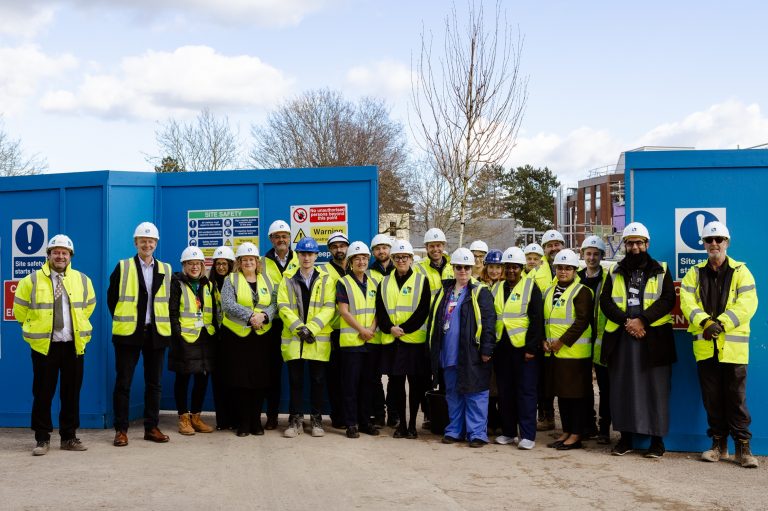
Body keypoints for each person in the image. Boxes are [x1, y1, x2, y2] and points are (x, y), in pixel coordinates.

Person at [679, 221, 759, 468]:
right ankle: (718, 447)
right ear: (703, 244)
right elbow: (686, 301)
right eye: (709, 240)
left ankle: (743, 449)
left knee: (736, 399)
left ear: (727, 242)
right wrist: (704, 322)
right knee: (712, 399)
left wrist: (721, 324)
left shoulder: (741, 271)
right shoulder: (694, 273)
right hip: (706, 348)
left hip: (733, 350)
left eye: (719, 239)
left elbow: (748, 304)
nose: (714, 244)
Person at [13, 235, 96, 456]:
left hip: (73, 345)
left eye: (64, 252)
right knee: (43, 393)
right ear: (48, 255)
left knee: (71, 393)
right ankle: (42, 439)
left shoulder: (83, 280)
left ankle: (69, 437)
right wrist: (36, 329)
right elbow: (20, 312)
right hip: (44, 346)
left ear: (70, 256)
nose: (60, 256)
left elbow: (88, 308)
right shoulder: (30, 281)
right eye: (56, 252)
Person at [600, 222, 676, 459]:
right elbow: (606, 302)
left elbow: (667, 300)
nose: (634, 247)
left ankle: (657, 441)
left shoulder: (661, 269)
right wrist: (628, 322)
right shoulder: (613, 271)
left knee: (656, 389)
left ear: (647, 244)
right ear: (624, 245)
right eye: (630, 243)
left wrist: (642, 321)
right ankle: (625, 439)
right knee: (622, 388)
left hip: (654, 338)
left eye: (639, 243)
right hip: (622, 337)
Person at [108, 221, 172, 447]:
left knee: (154, 384)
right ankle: (121, 430)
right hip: (129, 334)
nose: (147, 244)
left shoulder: (166, 269)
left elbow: (170, 302)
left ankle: (151, 427)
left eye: (151, 240)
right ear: (136, 243)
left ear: (156, 243)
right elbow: (112, 299)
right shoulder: (123, 266)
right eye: (143, 240)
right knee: (123, 383)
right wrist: (126, 320)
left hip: (156, 333)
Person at [429, 248, 496, 447]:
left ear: (472, 268)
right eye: (459, 267)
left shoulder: (480, 292)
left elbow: (489, 322)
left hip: (472, 353)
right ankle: (455, 429)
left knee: (475, 393)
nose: (463, 271)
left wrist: (487, 349)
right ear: (453, 268)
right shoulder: (445, 291)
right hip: (448, 353)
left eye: (467, 267)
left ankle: (476, 433)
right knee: (453, 392)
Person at [277, 237, 337, 438]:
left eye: (310, 254)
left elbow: (330, 307)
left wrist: (311, 328)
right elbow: (283, 306)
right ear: (298, 255)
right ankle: (295, 421)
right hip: (295, 340)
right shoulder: (287, 279)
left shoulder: (326, 279)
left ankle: (316, 420)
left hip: (317, 340)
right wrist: (299, 328)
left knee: (318, 381)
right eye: (303, 253)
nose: (306, 257)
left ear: (316, 256)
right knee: (295, 381)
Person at [376, 239, 431, 439]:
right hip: (392, 341)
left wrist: (404, 329)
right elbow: (380, 310)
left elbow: (423, 310)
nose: (401, 260)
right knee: (397, 385)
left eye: (405, 257)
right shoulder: (384, 282)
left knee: (415, 385)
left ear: (411, 259)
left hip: (413, 341)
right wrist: (390, 328)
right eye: (398, 257)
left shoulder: (421, 280)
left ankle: (412, 425)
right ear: (393, 259)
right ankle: (401, 424)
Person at [220, 242, 276, 437]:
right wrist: (252, 316)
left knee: (260, 381)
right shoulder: (231, 279)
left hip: (261, 338)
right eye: (245, 260)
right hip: (237, 338)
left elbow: (275, 303)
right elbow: (227, 304)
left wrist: (264, 316)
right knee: (241, 380)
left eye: (252, 259)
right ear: (239, 262)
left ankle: (256, 422)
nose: (249, 262)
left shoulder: (267, 280)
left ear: (257, 261)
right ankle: (243, 423)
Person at [493, 247, 543, 450]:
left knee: (526, 392)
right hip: (502, 348)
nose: (512, 270)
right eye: (508, 267)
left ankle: (528, 435)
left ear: (521, 268)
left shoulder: (532, 287)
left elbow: (537, 319)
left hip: (524, 350)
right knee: (505, 392)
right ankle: (508, 432)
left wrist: (531, 348)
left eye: (515, 267)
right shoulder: (496, 288)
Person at [543, 249, 593, 451]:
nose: (563, 271)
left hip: (574, 354)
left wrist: (562, 342)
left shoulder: (582, 291)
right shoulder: (549, 290)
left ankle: (576, 434)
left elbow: (581, 321)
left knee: (575, 396)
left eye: (567, 268)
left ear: (574, 270)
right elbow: (545, 320)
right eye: (560, 267)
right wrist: (543, 341)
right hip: (554, 353)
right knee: (562, 395)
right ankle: (566, 431)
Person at [169, 247, 216, 436]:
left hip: (205, 337)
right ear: (184, 265)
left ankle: (196, 417)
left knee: (202, 378)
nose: (195, 267)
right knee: (183, 378)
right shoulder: (176, 284)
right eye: (190, 263)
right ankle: (183, 418)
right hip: (185, 338)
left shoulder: (208, 284)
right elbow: (172, 313)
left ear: (203, 266)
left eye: (198, 263)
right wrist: (177, 336)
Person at [337, 241, 381, 438]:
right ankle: (351, 423)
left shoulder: (374, 283)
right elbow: (343, 311)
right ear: (351, 262)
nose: (361, 261)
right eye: (357, 258)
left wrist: (371, 328)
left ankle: (365, 421)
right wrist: (362, 330)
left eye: (364, 258)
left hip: (370, 342)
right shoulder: (344, 282)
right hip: (352, 344)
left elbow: (379, 310)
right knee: (350, 386)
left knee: (368, 384)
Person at [414, 228, 453, 429]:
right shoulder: (419, 268)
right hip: (426, 328)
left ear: (443, 247)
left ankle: (446, 414)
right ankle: (428, 414)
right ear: (426, 248)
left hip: (447, 328)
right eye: (431, 246)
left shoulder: (453, 267)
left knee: (446, 371)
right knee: (424, 375)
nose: (435, 249)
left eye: (438, 245)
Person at [262, 220, 299, 430]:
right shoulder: (262, 262)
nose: (281, 239)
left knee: (296, 374)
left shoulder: (300, 257)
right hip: (273, 324)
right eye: (277, 236)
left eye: (285, 235)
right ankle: (273, 416)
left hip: (295, 324)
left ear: (290, 237)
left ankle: (296, 416)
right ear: (271, 239)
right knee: (272, 373)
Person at [577, 235, 612, 444]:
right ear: (582, 255)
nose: (591, 258)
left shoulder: (608, 278)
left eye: (595, 254)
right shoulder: (576, 276)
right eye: (588, 254)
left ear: (601, 256)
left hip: (601, 341)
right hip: (579, 341)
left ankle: (604, 427)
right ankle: (587, 424)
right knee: (582, 386)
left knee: (605, 387)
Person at [536, 230, 565, 432]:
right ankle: (546, 416)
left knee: (566, 383)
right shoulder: (536, 274)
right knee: (543, 382)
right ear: (544, 249)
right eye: (550, 245)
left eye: (557, 244)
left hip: (566, 339)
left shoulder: (573, 268)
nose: (554, 248)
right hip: (544, 337)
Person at [320, 231, 349, 429]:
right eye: (334, 246)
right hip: (333, 331)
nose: (339, 249)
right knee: (334, 376)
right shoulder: (323, 271)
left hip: (355, 330)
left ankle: (352, 415)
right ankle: (337, 416)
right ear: (329, 250)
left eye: (342, 246)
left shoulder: (357, 266)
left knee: (352, 376)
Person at [367, 234, 395, 427]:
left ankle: (394, 414)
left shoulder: (400, 271)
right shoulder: (368, 274)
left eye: (384, 247)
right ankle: (379, 414)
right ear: (373, 252)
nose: (381, 251)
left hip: (394, 335)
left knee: (395, 377)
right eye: (377, 248)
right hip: (375, 336)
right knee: (373, 378)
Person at [208, 245, 236, 430]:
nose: (220, 267)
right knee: (218, 381)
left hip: (233, 337)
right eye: (217, 264)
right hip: (214, 338)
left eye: (224, 263)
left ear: (231, 265)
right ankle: (222, 421)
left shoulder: (236, 282)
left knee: (234, 379)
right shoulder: (208, 284)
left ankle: (235, 419)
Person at [480, 248, 504, 433]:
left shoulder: (506, 287)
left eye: (498, 267)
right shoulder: (479, 285)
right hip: (483, 341)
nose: (494, 271)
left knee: (499, 384)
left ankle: (500, 421)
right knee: (486, 383)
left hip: (501, 342)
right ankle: (489, 420)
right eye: (491, 267)